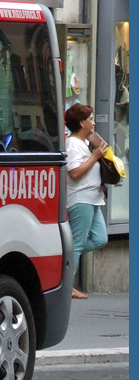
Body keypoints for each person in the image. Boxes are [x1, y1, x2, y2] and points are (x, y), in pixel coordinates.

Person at [63, 103, 109, 300]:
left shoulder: (84, 143)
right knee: (79, 241)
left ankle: (64, 258)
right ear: (81, 123)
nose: (93, 122)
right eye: (90, 119)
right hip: (81, 197)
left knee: (100, 238)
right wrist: (95, 156)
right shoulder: (72, 143)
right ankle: (67, 285)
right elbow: (74, 172)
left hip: (93, 197)